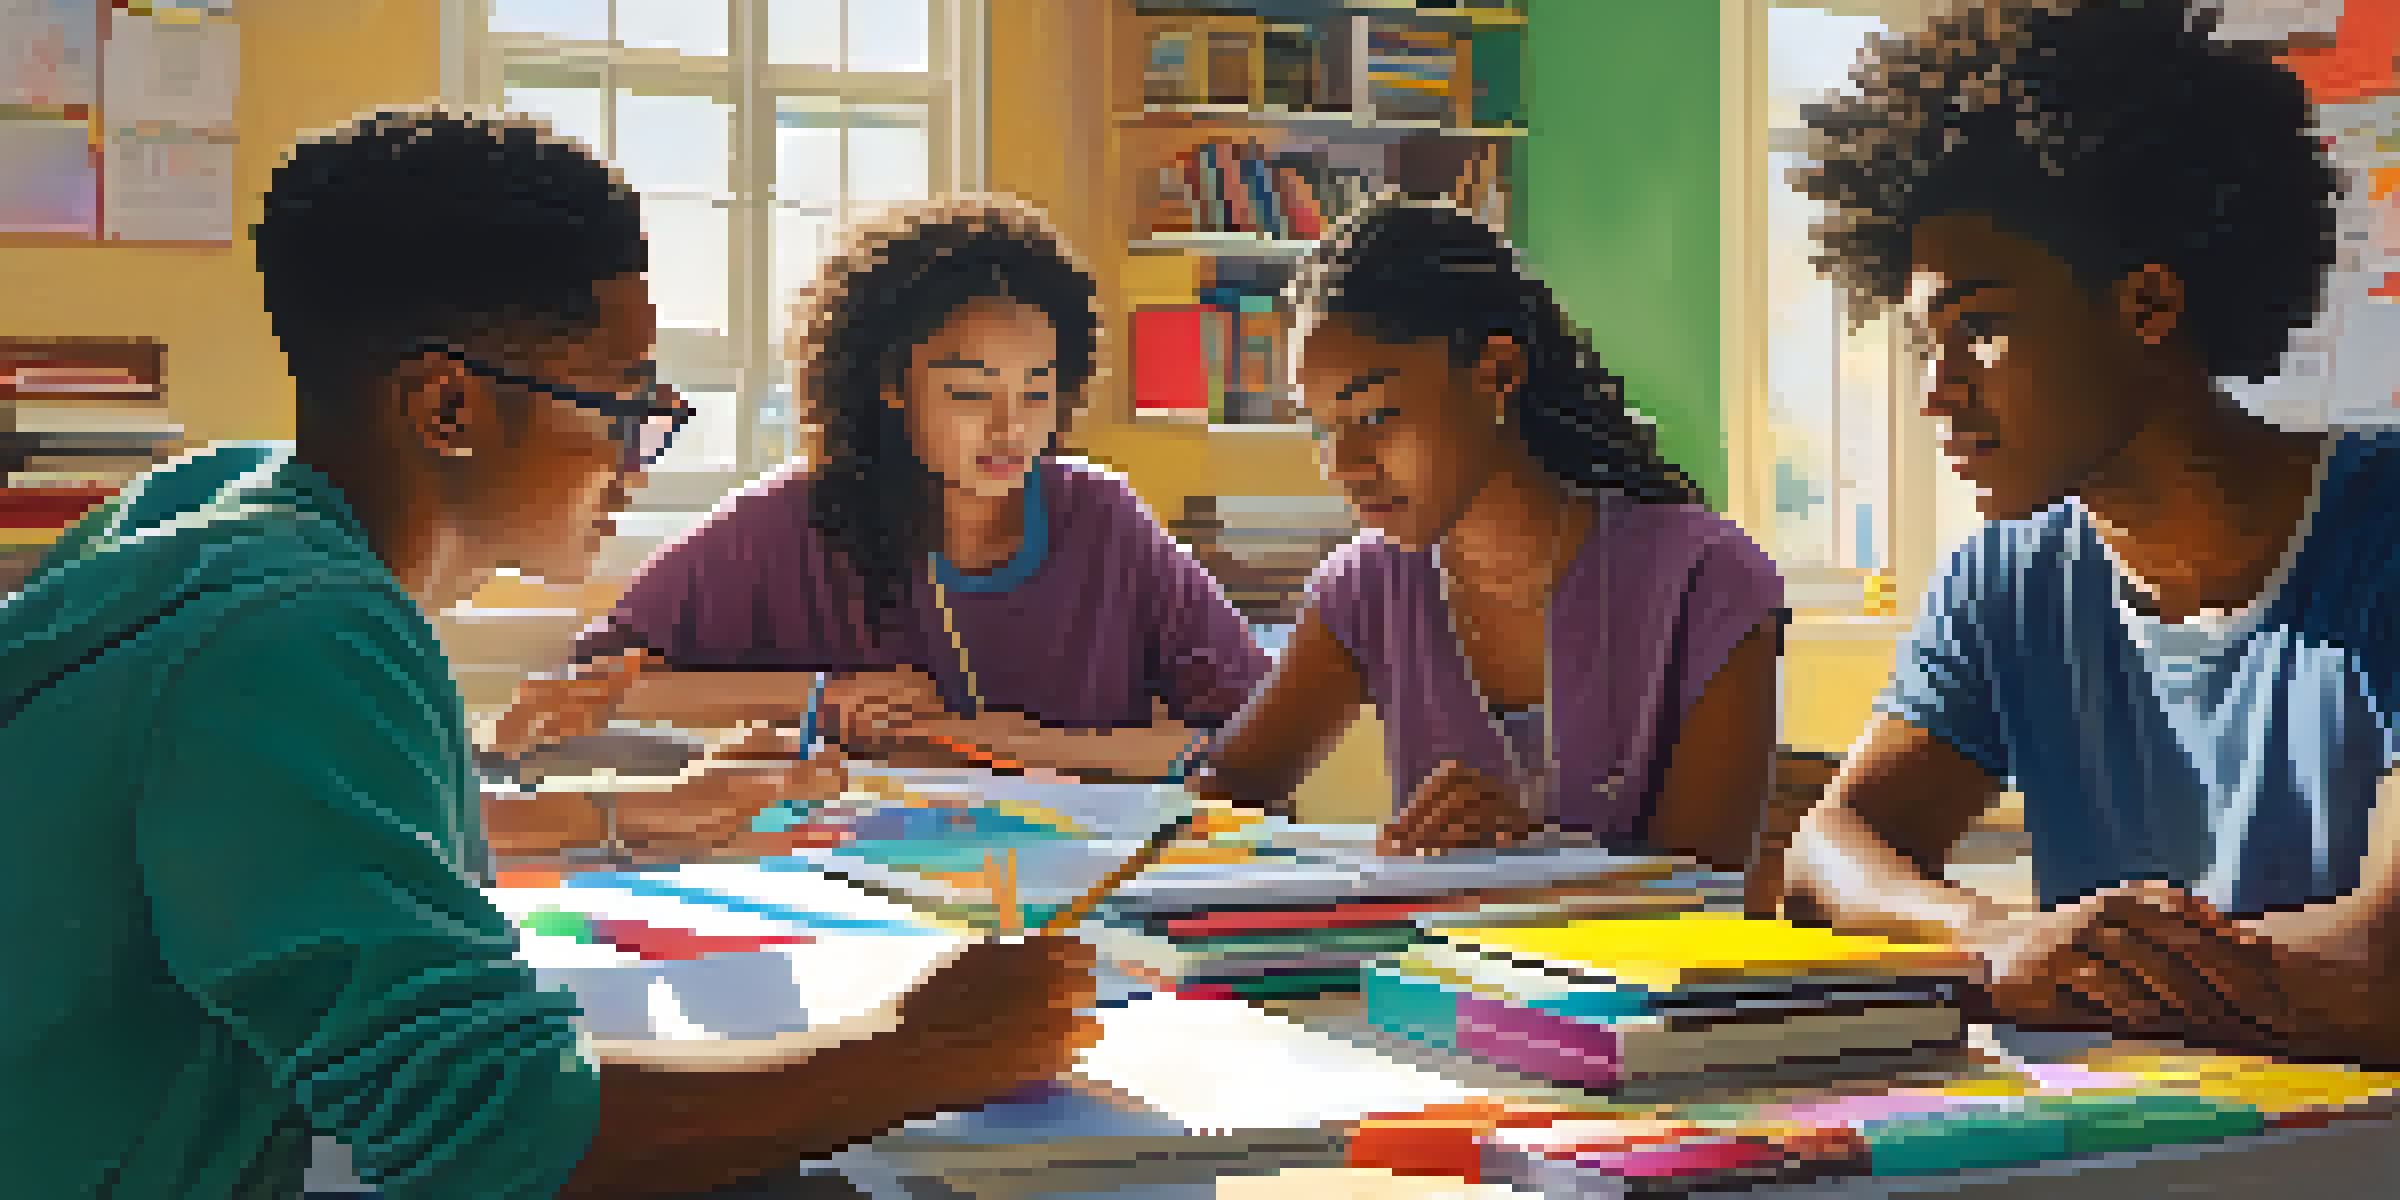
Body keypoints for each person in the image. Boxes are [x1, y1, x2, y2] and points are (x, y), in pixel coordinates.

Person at [0, 108, 1098, 1200]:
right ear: (447, 406)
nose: (637, 452)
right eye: (621, 402)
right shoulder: (305, 632)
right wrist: (921, 1052)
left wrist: (626, 816)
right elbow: (498, 1140)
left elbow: (281, 839)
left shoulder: (202, 505)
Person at [1780, 0, 2400, 1064]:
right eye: (1928, 339)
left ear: (2149, 302)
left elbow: (2377, 971)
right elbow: (1831, 854)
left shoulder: (2384, 532)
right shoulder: (2004, 583)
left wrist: (2062, 976)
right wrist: (1996, 940)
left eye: (1981, 326)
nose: (1938, 394)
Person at [485, 196, 1271, 797]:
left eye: (1038, 394)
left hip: (1084, 897)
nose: (1010, 429)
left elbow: (1248, 728)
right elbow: (592, 690)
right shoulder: (786, 521)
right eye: (970, 394)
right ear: (892, 384)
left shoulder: (1102, 520)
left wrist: (1003, 741)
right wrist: (824, 698)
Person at [1192, 199, 1786, 869]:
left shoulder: (1709, 583)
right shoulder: (1365, 588)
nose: (1342, 467)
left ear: (1497, 374)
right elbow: (1227, 793)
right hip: (1424, 974)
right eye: (1322, 427)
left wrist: (1536, 856)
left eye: (1375, 414)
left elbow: (1706, 903)